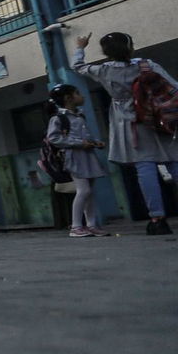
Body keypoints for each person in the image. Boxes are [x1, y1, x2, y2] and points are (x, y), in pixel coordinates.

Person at [71, 31, 178, 235]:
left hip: (131, 125)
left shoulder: (103, 70)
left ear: (105, 52)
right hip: (161, 121)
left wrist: (80, 47)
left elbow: (77, 66)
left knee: (145, 168)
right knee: (174, 163)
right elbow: (174, 87)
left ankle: (157, 218)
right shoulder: (147, 65)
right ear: (131, 47)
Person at [44, 83, 112, 238]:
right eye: (77, 93)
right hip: (74, 157)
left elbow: (85, 134)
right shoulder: (58, 118)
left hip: (87, 156)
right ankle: (75, 226)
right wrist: (79, 144)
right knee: (84, 190)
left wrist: (95, 142)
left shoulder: (80, 115)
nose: (81, 96)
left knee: (89, 192)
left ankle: (91, 225)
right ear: (68, 98)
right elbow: (54, 138)